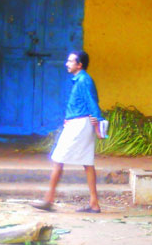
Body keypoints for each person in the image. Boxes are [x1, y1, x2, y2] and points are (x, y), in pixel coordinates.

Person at [32, 50, 104, 213]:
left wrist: (98, 124)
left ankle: (48, 200)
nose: (67, 64)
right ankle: (94, 203)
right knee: (87, 163)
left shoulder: (83, 80)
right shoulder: (81, 79)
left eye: (70, 61)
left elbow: (92, 102)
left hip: (79, 125)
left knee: (58, 159)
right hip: (78, 122)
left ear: (79, 64)